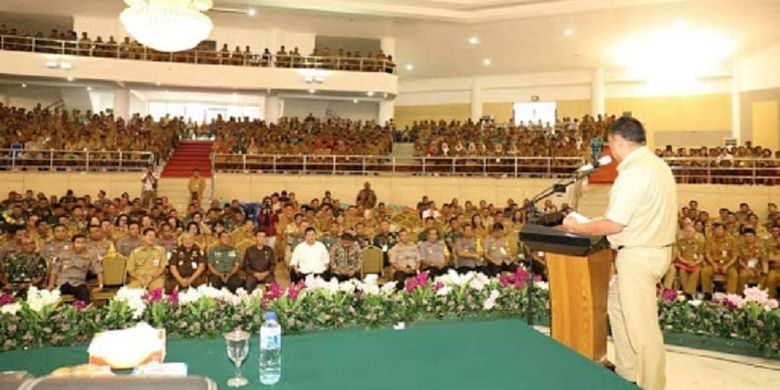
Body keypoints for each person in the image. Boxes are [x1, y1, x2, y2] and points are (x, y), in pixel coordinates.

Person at [562, 117, 677, 390]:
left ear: (618, 141)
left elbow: (615, 224)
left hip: (639, 256)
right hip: (652, 250)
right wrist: (593, 221)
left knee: (643, 330)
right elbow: (628, 216)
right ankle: (626, 373)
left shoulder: (634, 172)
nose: (609, 151)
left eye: (610, 143)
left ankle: (651, 385)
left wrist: (579, 227)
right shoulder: (656, 166)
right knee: (616, 305)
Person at [47, 234, 103, 303]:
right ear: (73, 243)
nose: (80, 245)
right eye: (78, 243)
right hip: (62, 282)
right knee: (51, 298)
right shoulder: (62, 254)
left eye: (83, 242)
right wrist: (51, 284)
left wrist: (100, 286)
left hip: (78, 283)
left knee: (84, 296)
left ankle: (83, 312)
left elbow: (98, 270)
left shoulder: (90, 255)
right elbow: (54, 270)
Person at [662, 224, 704, 296]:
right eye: (686, 231)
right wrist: (686, 262)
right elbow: (678, 255)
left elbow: (701, 256)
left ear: (694, 233)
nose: (688, 233)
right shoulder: (680, 242)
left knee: (696, 272)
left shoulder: (699, 243)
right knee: (682, 271)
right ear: (684, 233)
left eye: (690, 231)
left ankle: (689, 292)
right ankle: (687, 292)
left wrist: (696, 262)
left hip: (695, 263)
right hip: (683, 263)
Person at [701, 223, 739, 295]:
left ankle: (730, 295)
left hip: (727, 264)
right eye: (716, 229)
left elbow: (735, 256)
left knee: (734, 274)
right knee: (705, 271)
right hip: (714, 263)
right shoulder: (709, 240)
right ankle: (707, 293)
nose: (718, 231)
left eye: (720, 229)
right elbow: (707, 254)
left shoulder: (731, 240)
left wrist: (727, 266)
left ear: (725, 231)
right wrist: (714, 264)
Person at [736, 228, 768, 294]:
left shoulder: (760, 246)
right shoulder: (740, 246)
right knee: (742, 276)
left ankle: (760, 296)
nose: (748, 238)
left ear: (754, 236)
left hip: (757, 268)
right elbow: (739, 260)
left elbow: (764, 260)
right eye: (746, 236)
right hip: (745, 267)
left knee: (762, 277)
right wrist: (748, 269)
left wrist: (764, 271)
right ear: (743, 237)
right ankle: (743, 295)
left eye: (750, 236)